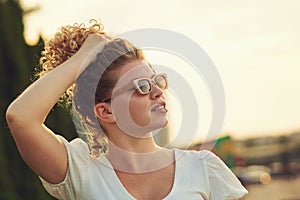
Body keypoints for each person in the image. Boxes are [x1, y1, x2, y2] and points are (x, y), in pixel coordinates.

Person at [6, 19, 248, 200]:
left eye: (157, 80)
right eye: (141, 86)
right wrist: (82, 58)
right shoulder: (80, 170)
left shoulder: (203, 167)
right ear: (106, 111)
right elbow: (20, 117)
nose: (157, 91)